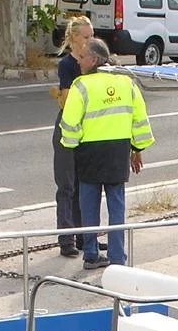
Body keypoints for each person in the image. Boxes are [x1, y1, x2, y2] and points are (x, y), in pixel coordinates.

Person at [60, 38, 154, 270]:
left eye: (82, 57)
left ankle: (91, 254)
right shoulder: (126, 83)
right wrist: (137, 149)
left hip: (89, 153)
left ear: (94, 59)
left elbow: (70, 123)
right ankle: (117, 257)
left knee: (88, 207)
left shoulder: (80, 86)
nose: (79, 61)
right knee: (117, 207)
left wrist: (71, 147)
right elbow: (139, 118)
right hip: (118, 152)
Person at [51, 15, 93, 258]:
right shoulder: (68, 65)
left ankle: (86, 236)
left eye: (92, 36)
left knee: (84, 184)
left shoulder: (93, 62)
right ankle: (66, 239)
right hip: (68, 128)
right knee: (66, 185)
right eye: (86, 37)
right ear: (74, 39)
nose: (91, 40)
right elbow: (67, 102)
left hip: (88, 128)